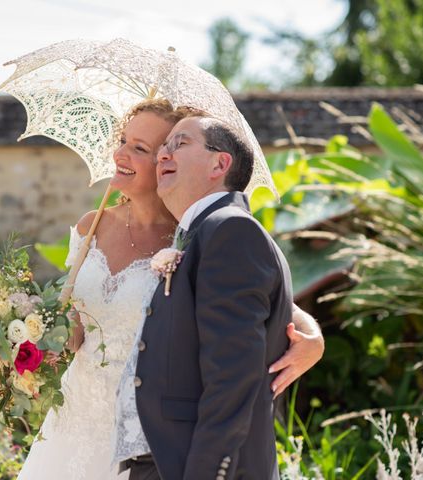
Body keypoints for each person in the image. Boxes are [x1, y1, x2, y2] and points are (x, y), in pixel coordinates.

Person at [18, 100, 323, 480]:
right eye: (124, 141)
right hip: (78, 413)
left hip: (156, 433)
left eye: (142, 148)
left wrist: (312, 336)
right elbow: (76, 319)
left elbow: (259, 305)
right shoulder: (91, 227)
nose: (122, 154)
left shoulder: (194, 236)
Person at [115, 113, 295, 480]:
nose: (163, 155)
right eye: (163, 146)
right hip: (163, 462)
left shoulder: (230, 229)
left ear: (220, 163)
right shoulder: (204, 232)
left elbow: (233, 375)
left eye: (179, 143)